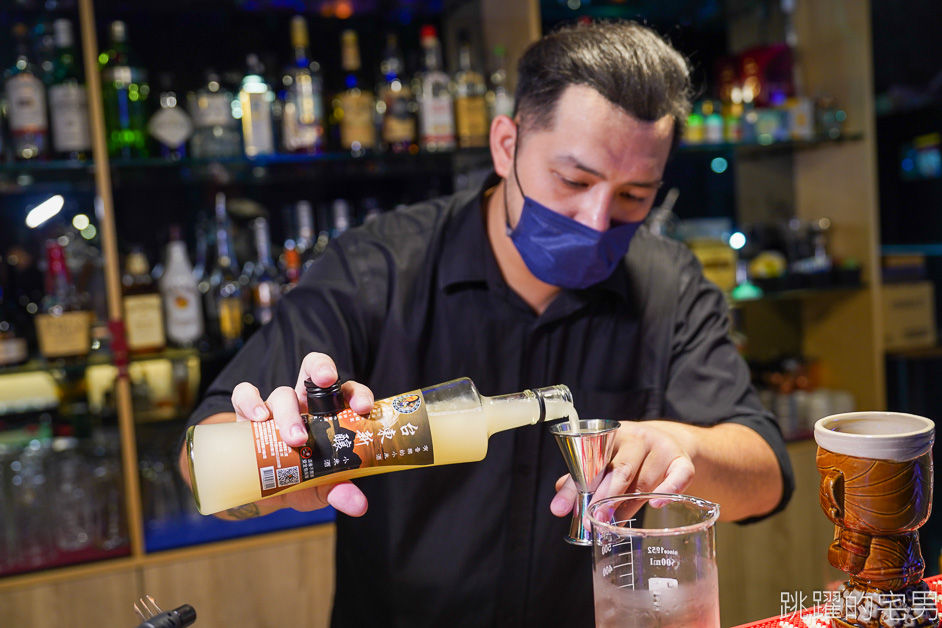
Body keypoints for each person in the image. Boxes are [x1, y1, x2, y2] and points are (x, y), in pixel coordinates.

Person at [179, 20, 794, 627]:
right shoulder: (378, 269)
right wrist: (274, 449)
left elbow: (766, 474)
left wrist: (682, 447)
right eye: (573, 179)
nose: (597, 217)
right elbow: (197, 461)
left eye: (635, 195)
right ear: (506, 146)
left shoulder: (669, 283)